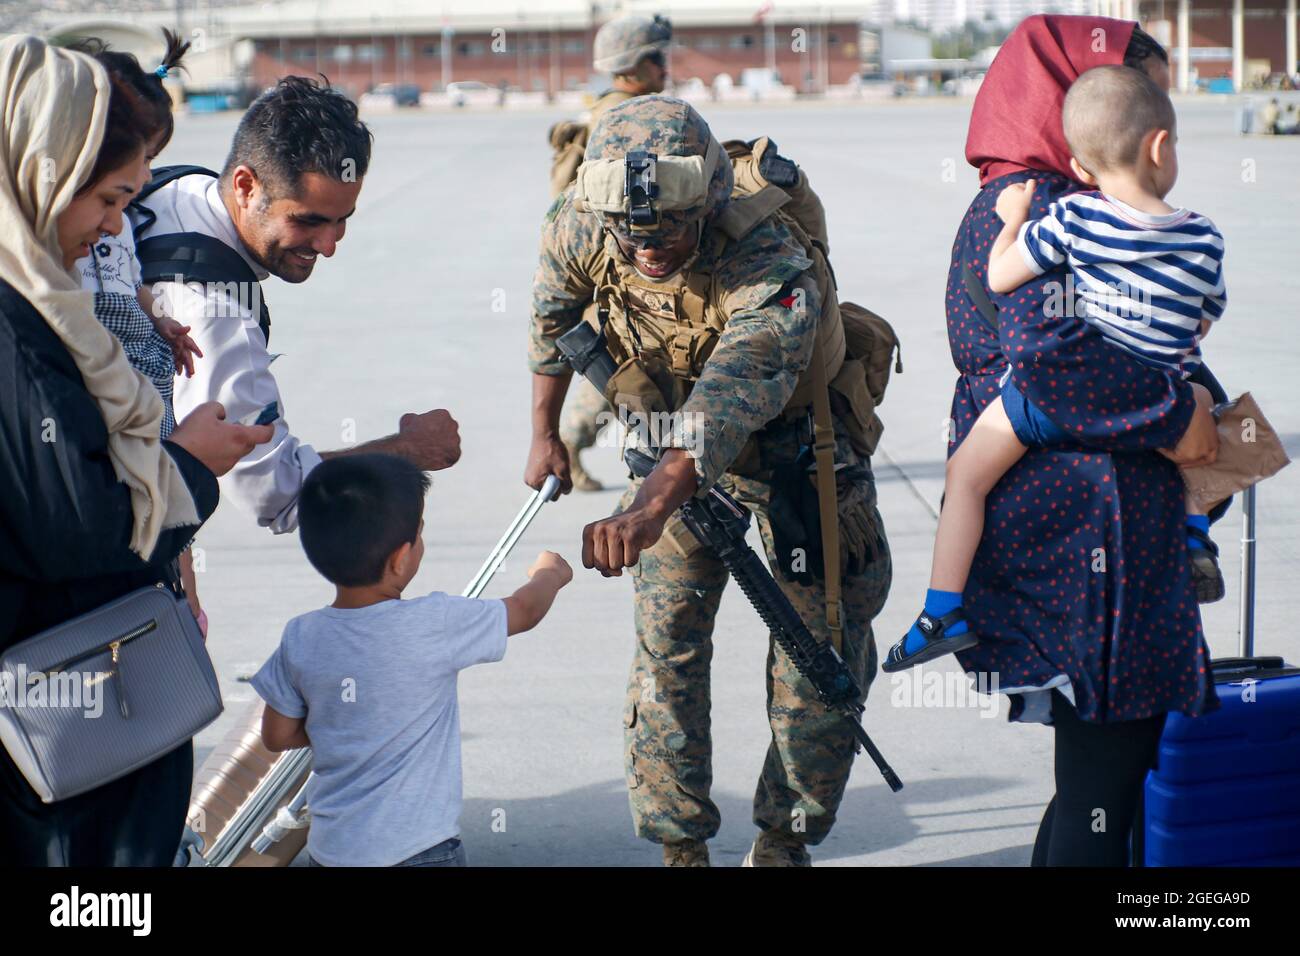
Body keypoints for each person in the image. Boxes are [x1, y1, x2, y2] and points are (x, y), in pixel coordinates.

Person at [524, 96, 892, 866]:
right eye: (632, 238)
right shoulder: (585, 218)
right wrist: (545, 435)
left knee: (817, 655)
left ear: (711, 203)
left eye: (670, 235)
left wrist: (650, 506)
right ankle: (679, 845)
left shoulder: (769, 257)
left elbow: (729, 395)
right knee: (668, 649)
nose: (649, 251)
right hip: (665, 453)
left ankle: (783, 841)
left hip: (797, 456)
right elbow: (553, 315)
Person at [944, 16, 1220, 867]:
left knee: (1098, 779)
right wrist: (1182, 419)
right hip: (1088, 535)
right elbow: (1054, 356)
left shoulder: (1038, 198)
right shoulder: (1049, 205)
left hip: (1086, 522)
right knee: (1107, 774)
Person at [0, 35, 271, 865]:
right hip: (63, 723)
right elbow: (77, 531)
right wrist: (189, 463)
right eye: (109, 199)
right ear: (46, 174)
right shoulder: (18, 325)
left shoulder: (41, 295)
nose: (118, 227)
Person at [886, 64, 1228, 673]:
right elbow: (1205, 318)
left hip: (1060, 400)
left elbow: (998, 280)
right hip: (1170, 389)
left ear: (1079, 169)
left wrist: (1012, 221)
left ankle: (941, 610)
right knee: (1200, 415)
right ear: (1161, 146)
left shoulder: (1073, 217)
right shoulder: (1205, 235)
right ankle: (1197, 536)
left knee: (967, 473)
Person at [137, 76, 462, 535]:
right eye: (307, 221)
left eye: (341, 221)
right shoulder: (215, 315)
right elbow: (273, 493)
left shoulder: (181, 187)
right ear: (245, 185)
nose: (328, 246)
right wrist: (408, 449)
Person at [249, 455, 571, 867]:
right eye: (419, 534)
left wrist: (346, 727)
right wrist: (550, 573)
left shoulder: (301, 636)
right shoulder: (434, 622)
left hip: (333, 852)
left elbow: (276, 735)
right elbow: (524, 611)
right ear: (400, 559)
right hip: (422, 850)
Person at [72, 29, 212, 633]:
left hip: (142, 361)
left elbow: (131, 285)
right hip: (108, 366)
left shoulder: (120, 223)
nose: (140, 183)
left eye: (149, 162)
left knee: (164, 468)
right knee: (147, 479)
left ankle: (183, 588)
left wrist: (162, 320)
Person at [547, 13, 673, 491]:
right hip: (619, 268)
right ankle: (571, 445)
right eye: (657, 58)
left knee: (621, 365)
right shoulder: (623, 119)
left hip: (617, 263)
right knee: (618, 369)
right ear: (635, 67)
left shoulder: (614, 108)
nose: (665, 68)